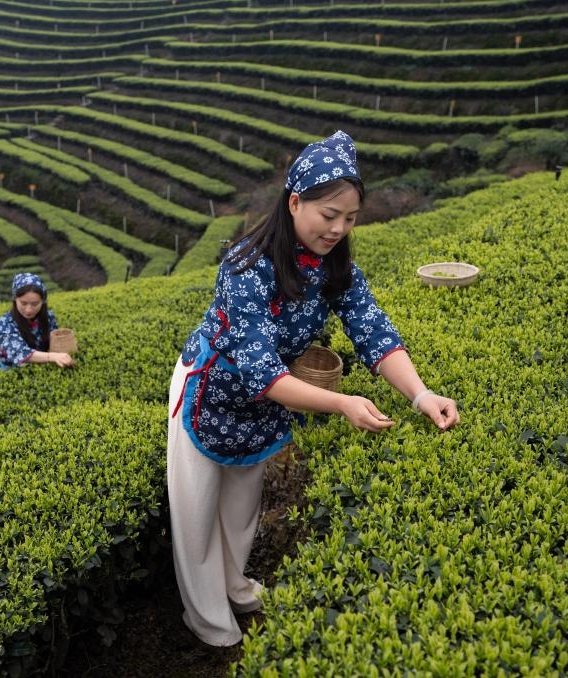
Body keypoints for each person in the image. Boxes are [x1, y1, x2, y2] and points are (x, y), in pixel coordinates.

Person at [167, 130, 460, 647]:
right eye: (329, 216)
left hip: (267, 400)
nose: (339, 229)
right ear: (295, 201)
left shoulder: (335, 268)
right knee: (196, 515)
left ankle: (236, 586)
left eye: (350, 219)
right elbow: (261, 371)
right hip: (209, 391)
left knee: (241, 507)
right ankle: (209, 622)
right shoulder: (244, 267)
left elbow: (374, 333)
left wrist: (420, 394)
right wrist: (342, 402)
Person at [0, 272, 75, 369]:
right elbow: (18, 351)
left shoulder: (48, 316)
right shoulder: (5, 322)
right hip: (15, 373)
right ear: (15, 299)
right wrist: (53, 356)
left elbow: (54, 342)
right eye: (23, 303)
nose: (29, 310)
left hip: (43, 369)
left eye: (35, 304)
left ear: (43, 301)